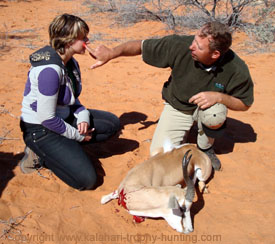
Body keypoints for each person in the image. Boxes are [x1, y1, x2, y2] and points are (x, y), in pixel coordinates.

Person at [86, 21, 254, 170]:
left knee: (215, 114)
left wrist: (219, 97)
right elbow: (141, 46)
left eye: (199, 46)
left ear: (215, 54)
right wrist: (111, 53)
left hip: (206, 108)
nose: (191, 47)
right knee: (160, 157)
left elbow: (244, 103)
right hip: (178, 106)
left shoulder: (236, 68)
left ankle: (205, 148)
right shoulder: (180, 45)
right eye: (194, 40)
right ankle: (183, 135)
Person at [19, 14, 120, 190]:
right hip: (41, 129)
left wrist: (82, 117)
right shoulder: (49, 71)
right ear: (68, 42)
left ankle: (65, 148)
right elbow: (47, 118)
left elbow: (72, 101)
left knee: (111, 124)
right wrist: (78, 135)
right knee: (87, 180)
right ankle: (40, 154)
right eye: (84, 38)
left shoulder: (70, 63)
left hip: (61, 118)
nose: (88, 41)